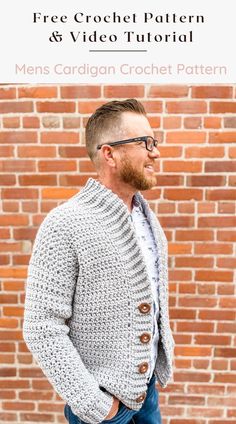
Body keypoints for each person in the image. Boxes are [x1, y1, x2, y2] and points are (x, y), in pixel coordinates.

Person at [23, 98, 175, 424]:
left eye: (155, 142)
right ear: (110, 154)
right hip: (104, 406)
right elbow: (41, 327)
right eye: (144, 142)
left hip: (146, 395)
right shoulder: (66, 223)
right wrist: (95, 403)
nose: (155, 152)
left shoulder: (148, 221)